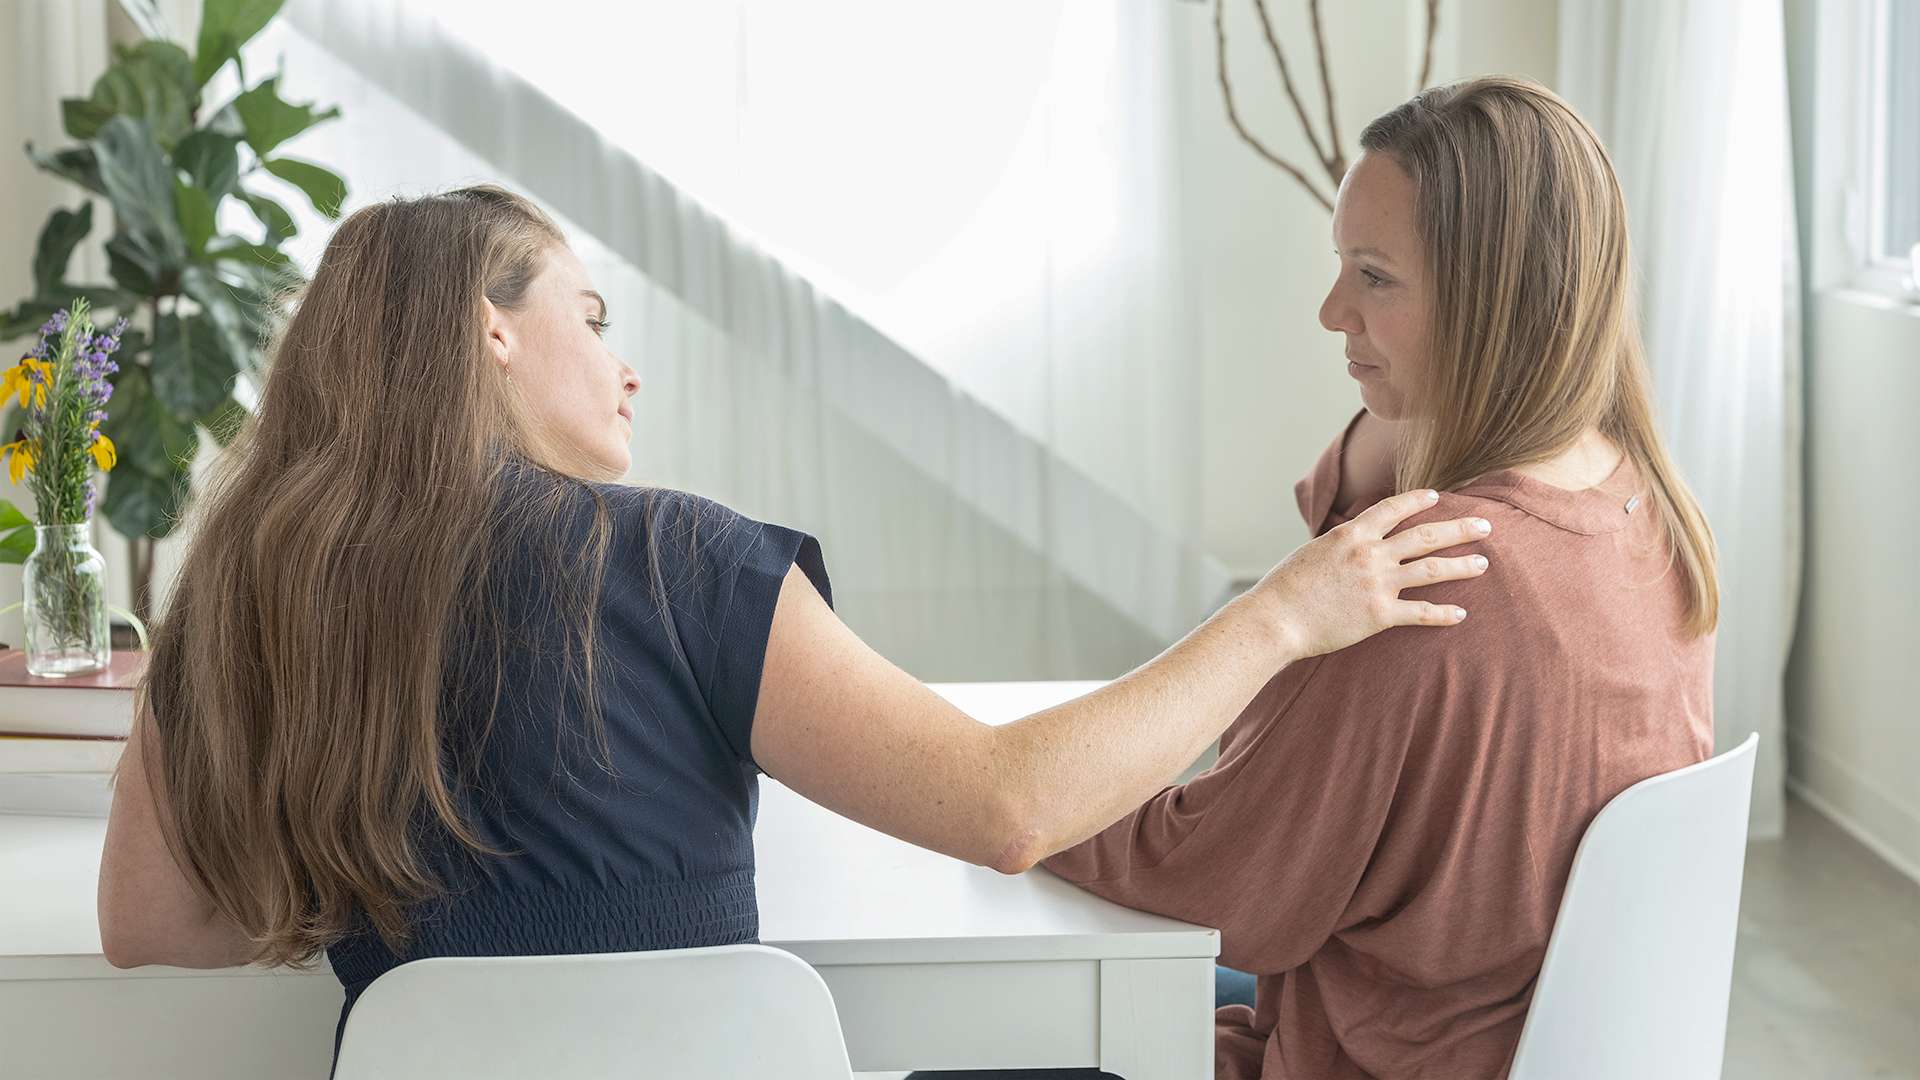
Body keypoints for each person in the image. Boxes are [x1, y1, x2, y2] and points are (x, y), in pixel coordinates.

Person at [93, 184, 1494, 1065]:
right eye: (588, 311)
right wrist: (1282, 616)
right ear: (491, 331)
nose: (625, 365)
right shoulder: (676, 561)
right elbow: (1008, 809)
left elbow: (146, 926)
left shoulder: (237, 601)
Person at [921, 75, 1719, 1080]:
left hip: (1358, 1059)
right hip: (1495, 1030)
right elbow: (1338, 493)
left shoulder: (1428, 586)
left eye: (1375, 279)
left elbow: (1209, 876)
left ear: (1492, 303)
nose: (1331, 310)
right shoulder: (1643, 507)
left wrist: (1042, 786)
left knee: (964, 1040)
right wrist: (1425, 405)